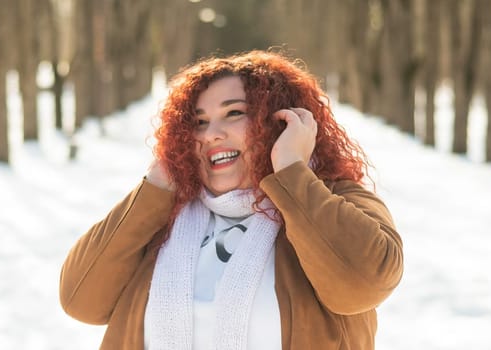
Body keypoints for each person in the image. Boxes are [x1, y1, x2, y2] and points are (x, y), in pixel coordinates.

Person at [59, 50, 403, 350]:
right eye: (199, 122)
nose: (211, 134)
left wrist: (292, 173)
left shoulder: (335, 199)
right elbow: (80, 300)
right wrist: (156, 186)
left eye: (234, 113)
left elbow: (363, 283)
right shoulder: (163, 214)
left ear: (280, 122)